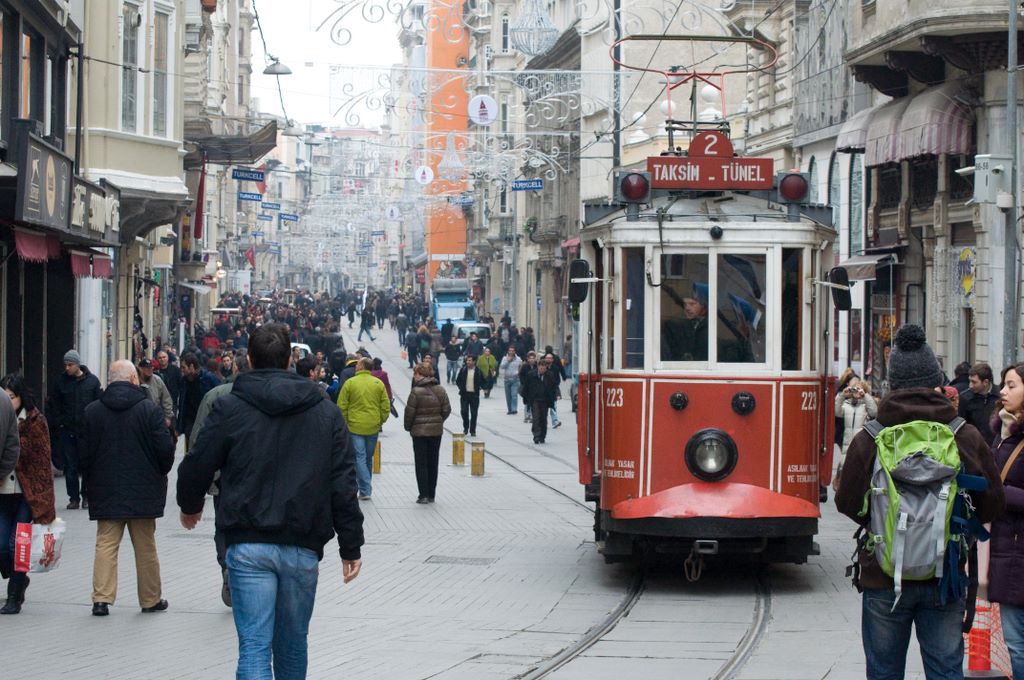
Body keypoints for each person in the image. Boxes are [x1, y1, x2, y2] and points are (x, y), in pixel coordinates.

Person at [177, 323, 364, 678]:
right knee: (293, 644)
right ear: (290, 360)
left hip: (248, 542)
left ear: (248, 358)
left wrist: (191, 505)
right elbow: (343, 481)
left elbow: (197, 462)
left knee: (254, 646)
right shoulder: (325, 412)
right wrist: (350, 545)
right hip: (301, 545)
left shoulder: (230, 407)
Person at [835, 325, 1004, 679]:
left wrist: (883, 519)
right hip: (945, 576)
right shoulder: (963, 434)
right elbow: (992, 504)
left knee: (884, 672)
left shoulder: (871, 436)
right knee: (944, 670)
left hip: (883, 576)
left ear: (891, 384)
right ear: (937, 381)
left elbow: (846, 501)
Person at [81, 360, 176, 616]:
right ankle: (150, 599)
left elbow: (84, 454)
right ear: (134, 379)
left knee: (106, 544)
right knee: (145, 547)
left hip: (105, 488)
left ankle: (101, 599)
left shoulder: (92, 411)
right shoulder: (149, 410)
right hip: (143, 491)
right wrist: (160, 472)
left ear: (110, 381)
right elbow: (165, 450)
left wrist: (89, 479)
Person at [186, 354, 251, 607]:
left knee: (224, 525)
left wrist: (196, 488)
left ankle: (228, 565)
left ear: (234, 367)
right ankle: (244, 573)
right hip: (254, 477)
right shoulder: (268, 395)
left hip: (221, 476)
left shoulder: (216, 395)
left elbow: (198, 439)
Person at [985, 363, 1024, 679]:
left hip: (1017, 552)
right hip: (1009, 551)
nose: (1003, 391)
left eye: (1011, 385)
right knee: (1014, 642)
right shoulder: (1002, 434)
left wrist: (997, 491)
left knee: (1018, 643)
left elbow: (999, 487)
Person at [0, 375, 50, 615]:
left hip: (25, 495)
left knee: (16, 545)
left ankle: (14, 595)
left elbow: (42, 464)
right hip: (2, 494)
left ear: (21, 397)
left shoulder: (34, 421)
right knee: (1, 546)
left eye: (11, 397)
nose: (7, 402)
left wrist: (44, 502)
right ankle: (18, 579)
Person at [51, 349, 102, 510]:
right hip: (67, 430)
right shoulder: (60, 382)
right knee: (70, 466)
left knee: (87, 465)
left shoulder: (92, 382)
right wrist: (60, 423)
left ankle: (86, 495)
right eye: (65, 365)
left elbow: (98, 404)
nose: (67, 368)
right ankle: (73, 498)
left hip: (86, 431)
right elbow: (55, 405)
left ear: (77, 365)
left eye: (70, 365)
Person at [337, 357, 390, 500]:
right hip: (373, 426)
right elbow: (385, 405)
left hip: (354, 426)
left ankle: (365, 489)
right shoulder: (378, 383)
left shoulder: (350, 383)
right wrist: (380, 420)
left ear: (361, 366)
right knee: (367, 458)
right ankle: (365, 488)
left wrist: (345, 422)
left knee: (359, 457)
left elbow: (342, 405)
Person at [405, 363, 451, 504]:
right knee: (433, 462)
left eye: (416, 374)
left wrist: (409, 427)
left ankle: (423, 495)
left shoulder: (416, 392)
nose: (414, 376)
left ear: (422, 375)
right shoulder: (441, 390)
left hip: (419, 433)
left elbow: (409, 413)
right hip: (436, 432)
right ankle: (431, 494)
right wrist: (438, 420)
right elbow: (447, 409)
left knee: (421, 463)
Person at [832, 371, 877, 491]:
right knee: (845, 475)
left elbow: (874, 412)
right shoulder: (846, 406)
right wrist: (842, 395)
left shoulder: (866, 407)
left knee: (860, 475)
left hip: (862, 446)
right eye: (855, 390)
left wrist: (865, 396)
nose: (856, 392)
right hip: (846, 446)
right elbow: (836, 411)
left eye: (859, 390)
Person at [177, 352, 222, 450]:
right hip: (191, 422)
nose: (182, 370)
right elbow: (182, 404)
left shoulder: (208, 378)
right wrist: (179, 426)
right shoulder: (184, 381)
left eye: (184, 367)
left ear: (191, 366)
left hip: (207, 420)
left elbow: (220, 396)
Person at [959, 362, 1000, 444]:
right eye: (969, 381)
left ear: (985, 382)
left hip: (995, 445)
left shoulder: (1000, 395)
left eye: (974, 382)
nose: (970, 385)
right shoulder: (965, 397)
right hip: (975, 446)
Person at [522, 357, 560, 444]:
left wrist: (557, 395)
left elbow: (554, 387)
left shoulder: (550, 375)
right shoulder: (531, 375)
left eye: (544, 368)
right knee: (536, 417)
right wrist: (525, 399)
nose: (542, 369)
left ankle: (542, 435)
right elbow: (526, 387)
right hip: (535, 399)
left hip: (545, 400)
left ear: (546, 368)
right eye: (540, 367)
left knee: (543, 418)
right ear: (538, 367)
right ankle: (536, 435)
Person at [137, 359, 175, 430]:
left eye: (151, 367)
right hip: (140, 418)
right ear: (140, 369)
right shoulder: (135, 380)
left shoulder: (157, 380)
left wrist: (168, 417)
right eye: (146, 368)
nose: (149, 369)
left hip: (156, 417)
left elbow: (166, 399)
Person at [456, 354, 483, 437]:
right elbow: (458, 381)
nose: (468, 362)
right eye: (467, 360)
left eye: (470, 360)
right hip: (465, 395)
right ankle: (466, 427)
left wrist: (481, 387)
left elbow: (484, 380)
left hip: (474, 395)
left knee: (474, 413)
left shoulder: (478, 371)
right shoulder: (463, 370)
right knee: (464, 412)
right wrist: (461, 388)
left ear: (474, 362)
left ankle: (472, 430)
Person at [543, 350, 566, 429]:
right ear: (545, 359)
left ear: (552, 360)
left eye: (550, 358)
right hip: (543, 390)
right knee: (543, 408)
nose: (549, 360)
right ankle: (543, 422)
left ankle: (555, 421)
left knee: (553, 406)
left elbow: (557, 379)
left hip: (553, 390)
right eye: (547, 358)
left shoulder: (555, 368)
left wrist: (557, 391)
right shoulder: (542, 367)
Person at [499, 346, 523, 415]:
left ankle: (514, 409)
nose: (511, 352)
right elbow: (502, 367)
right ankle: (510, 409)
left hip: (515, 379)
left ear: (515, 351)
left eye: (513, 351)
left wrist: (519, 372)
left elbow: (521, 366)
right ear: (508, 351)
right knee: (508, 396)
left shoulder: (518, 359)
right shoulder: (504, 358)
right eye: (510, 351)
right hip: (507, 379)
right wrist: (508, 361)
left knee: (514, 395)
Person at [519, 351, 538, 423]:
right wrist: (523, 383)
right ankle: (527, 416)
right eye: (530, 358)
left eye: (533, 358)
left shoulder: (537, 366)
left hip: (535, 387)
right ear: (528, 359)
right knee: (527, 402)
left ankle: (533, 416)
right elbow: (521, 375)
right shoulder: (525, 366)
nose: (532, 360)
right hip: (527, 388)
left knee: (534, 403)